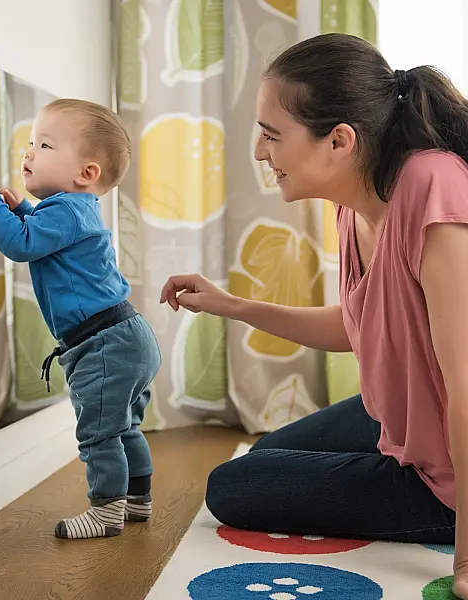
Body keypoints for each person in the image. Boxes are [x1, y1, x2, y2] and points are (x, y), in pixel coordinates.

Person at [160, 33, 468, 598]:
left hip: (449, 468)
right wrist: (231, 305)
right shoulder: (355, 204)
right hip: (403, 425)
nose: (259, 151)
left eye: (272, 135)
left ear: (339, 140)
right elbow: (361, 327)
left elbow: (466, 383)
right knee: (267, 454)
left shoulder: (432, 187)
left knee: (233, 486)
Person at [0, 98, 161, 540]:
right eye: (32, 142)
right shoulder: (73, 211)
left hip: (103, 343)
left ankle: (106, 510)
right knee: (123, 426)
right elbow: (35, 233)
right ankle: (137, 499)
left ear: (86, 173)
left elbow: (20, 244)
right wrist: (17, 211)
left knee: (97, 433)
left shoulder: (67, 210)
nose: (29, 153)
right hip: (125, 336)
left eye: (45, 145)